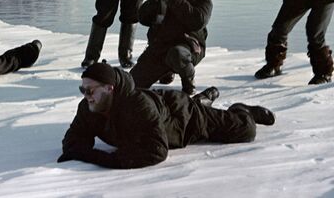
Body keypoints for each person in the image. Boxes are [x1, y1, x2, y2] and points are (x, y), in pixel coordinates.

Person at [58, 62, 275, 169]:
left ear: (109, 88)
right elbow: (73, 140)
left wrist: (95, 156)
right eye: (82, 90)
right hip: (160, 110)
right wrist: (80, 149)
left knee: (245, 130)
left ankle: (243, 109)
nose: (86, 96)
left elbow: (156, 151)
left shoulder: (137, 106)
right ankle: (204, 99)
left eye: (90, 90)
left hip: (185, 118)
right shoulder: (89, 106)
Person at [130, 0, 212, 94]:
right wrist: (153, 1)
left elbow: (198, 21)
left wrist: (173, 0)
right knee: (133, 82)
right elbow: (142, 18)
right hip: (160, 47)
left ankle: (188, 81)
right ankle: (165, 72)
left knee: (177, 54)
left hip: (188, 47)